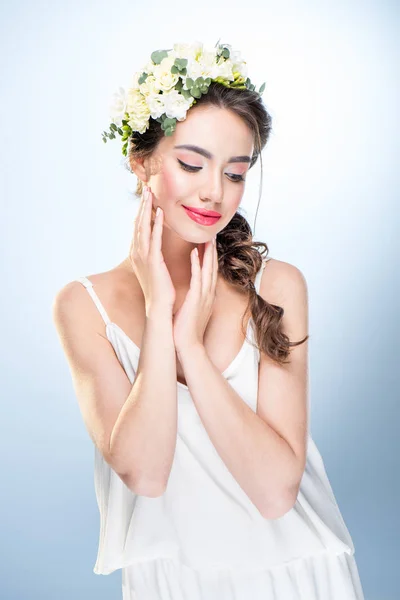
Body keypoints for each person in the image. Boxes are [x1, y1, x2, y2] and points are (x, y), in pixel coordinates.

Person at [52, 41, 365, 599]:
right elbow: (145, 474)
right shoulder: (83, 306)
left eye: (236, 173)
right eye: (191, 164)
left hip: (297, 578)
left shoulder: (278, 286)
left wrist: (190, 351)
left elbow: (275, 494)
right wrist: (156, 314)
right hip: (170, 584)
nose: (215, 192)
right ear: (141, 159)